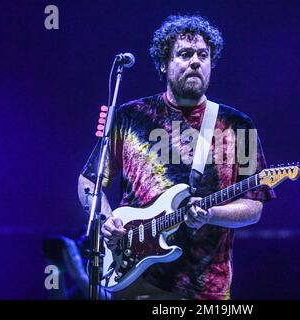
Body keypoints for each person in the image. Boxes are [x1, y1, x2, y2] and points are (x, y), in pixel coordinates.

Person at [77, 14, 276, 300]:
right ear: (163, 63)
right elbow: (89, 181)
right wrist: (106, 220)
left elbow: (253, 207)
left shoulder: (238, 125)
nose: (195, 61)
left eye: (203, 55)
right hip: (135, 281)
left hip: (207, 288)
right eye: (184, 54)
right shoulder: (130, 117)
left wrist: (211, 214)